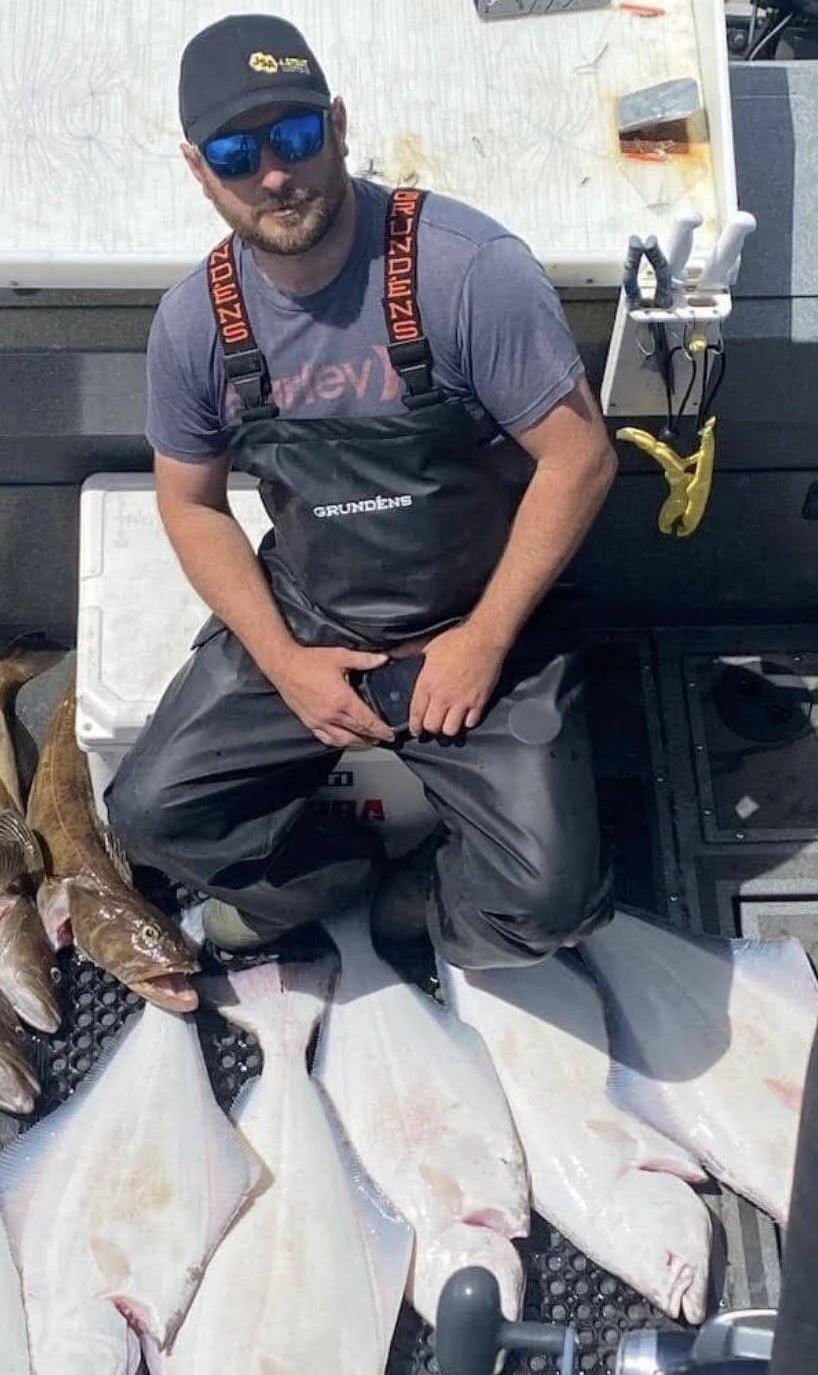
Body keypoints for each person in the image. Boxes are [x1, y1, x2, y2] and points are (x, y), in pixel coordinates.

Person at [105, 13, 618, 967]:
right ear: (197, 166)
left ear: (337, 124)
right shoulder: (193, 327)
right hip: (312, 614)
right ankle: (332, 874)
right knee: (147, 813)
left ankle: (427, 900)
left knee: (551, 905)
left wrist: (484, 639)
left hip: (476, 621)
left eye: (295, 135)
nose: (273, 173)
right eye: (237, 151)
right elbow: (190, 504)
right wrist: (287, 661)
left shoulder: (468, 273)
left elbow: (580, 459)